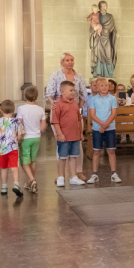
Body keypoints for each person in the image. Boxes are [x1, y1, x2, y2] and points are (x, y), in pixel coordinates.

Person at [46, 52, 87, 182]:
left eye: (72, 60)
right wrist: (52, 103)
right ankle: (60, 175)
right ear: (62, 62)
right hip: (60, 110)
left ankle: (77, 172)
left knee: (77, 142)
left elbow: (83, 94)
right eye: (67, 60)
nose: (70, 62)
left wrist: (79, 107)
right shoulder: (56, 75)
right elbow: (49, 93)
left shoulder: (78, 76)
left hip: (74, 110)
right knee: (61, 142)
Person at [51, 81, 86, 187]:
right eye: (70, 90)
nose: (73, 92)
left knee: (73, 156)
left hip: (75, 136)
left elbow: (79, 120)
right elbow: (55, 121)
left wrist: (80, 133)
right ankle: (61, 177)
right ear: (62, 92)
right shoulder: (58, 104)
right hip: (64, 137)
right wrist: (60, 134)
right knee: (62, 157)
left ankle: (73, 177)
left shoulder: (75, 104)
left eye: (74, 90)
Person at [87, 78, 121, 184]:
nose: (104, 87)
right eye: (101, 85)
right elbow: (92, 114)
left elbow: (113, 113)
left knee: (111, 151)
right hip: (98, 128)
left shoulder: (113, 98)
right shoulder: (93, 99)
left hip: (110, 128)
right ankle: (94, 174)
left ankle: (114, 173)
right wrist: (102, 124)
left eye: (106, 85)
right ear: (97, 88)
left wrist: (106, 124)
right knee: (96, 151)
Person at [0, 100, 25, 196]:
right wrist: (17, 138)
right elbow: (20, 136)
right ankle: (16, 184)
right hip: (13, 148)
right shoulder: (17, 121)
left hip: (1, 149)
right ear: (13, 110)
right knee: (14, 167)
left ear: (1, 110)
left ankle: (4, 187)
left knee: (4, 168)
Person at [17, 86, 47, 194]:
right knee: (33, 160)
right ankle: (30, 181)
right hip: (36, 137)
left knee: (24, 162)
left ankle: (32, 180)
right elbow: (43, 126)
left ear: (25, 96)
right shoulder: (40, 109)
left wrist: (18, 135)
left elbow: (19, 123)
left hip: (26, 138)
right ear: (36, 97)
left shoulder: (21, 108)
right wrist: (38, 130)